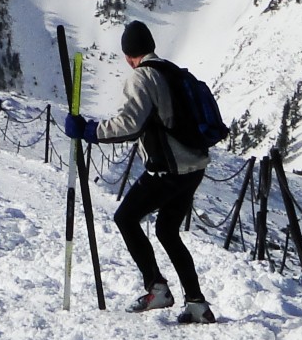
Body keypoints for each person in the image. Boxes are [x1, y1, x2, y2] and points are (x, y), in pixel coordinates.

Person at [65, 21, 214, 324]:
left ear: (127, 55)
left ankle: (157, 289)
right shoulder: (171, 71)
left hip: (168, 169)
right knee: (167, 230)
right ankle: (196, 304)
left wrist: (88, 131)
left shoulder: (142, 76)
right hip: (194, 166)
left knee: (126, 218)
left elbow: (129, 125)